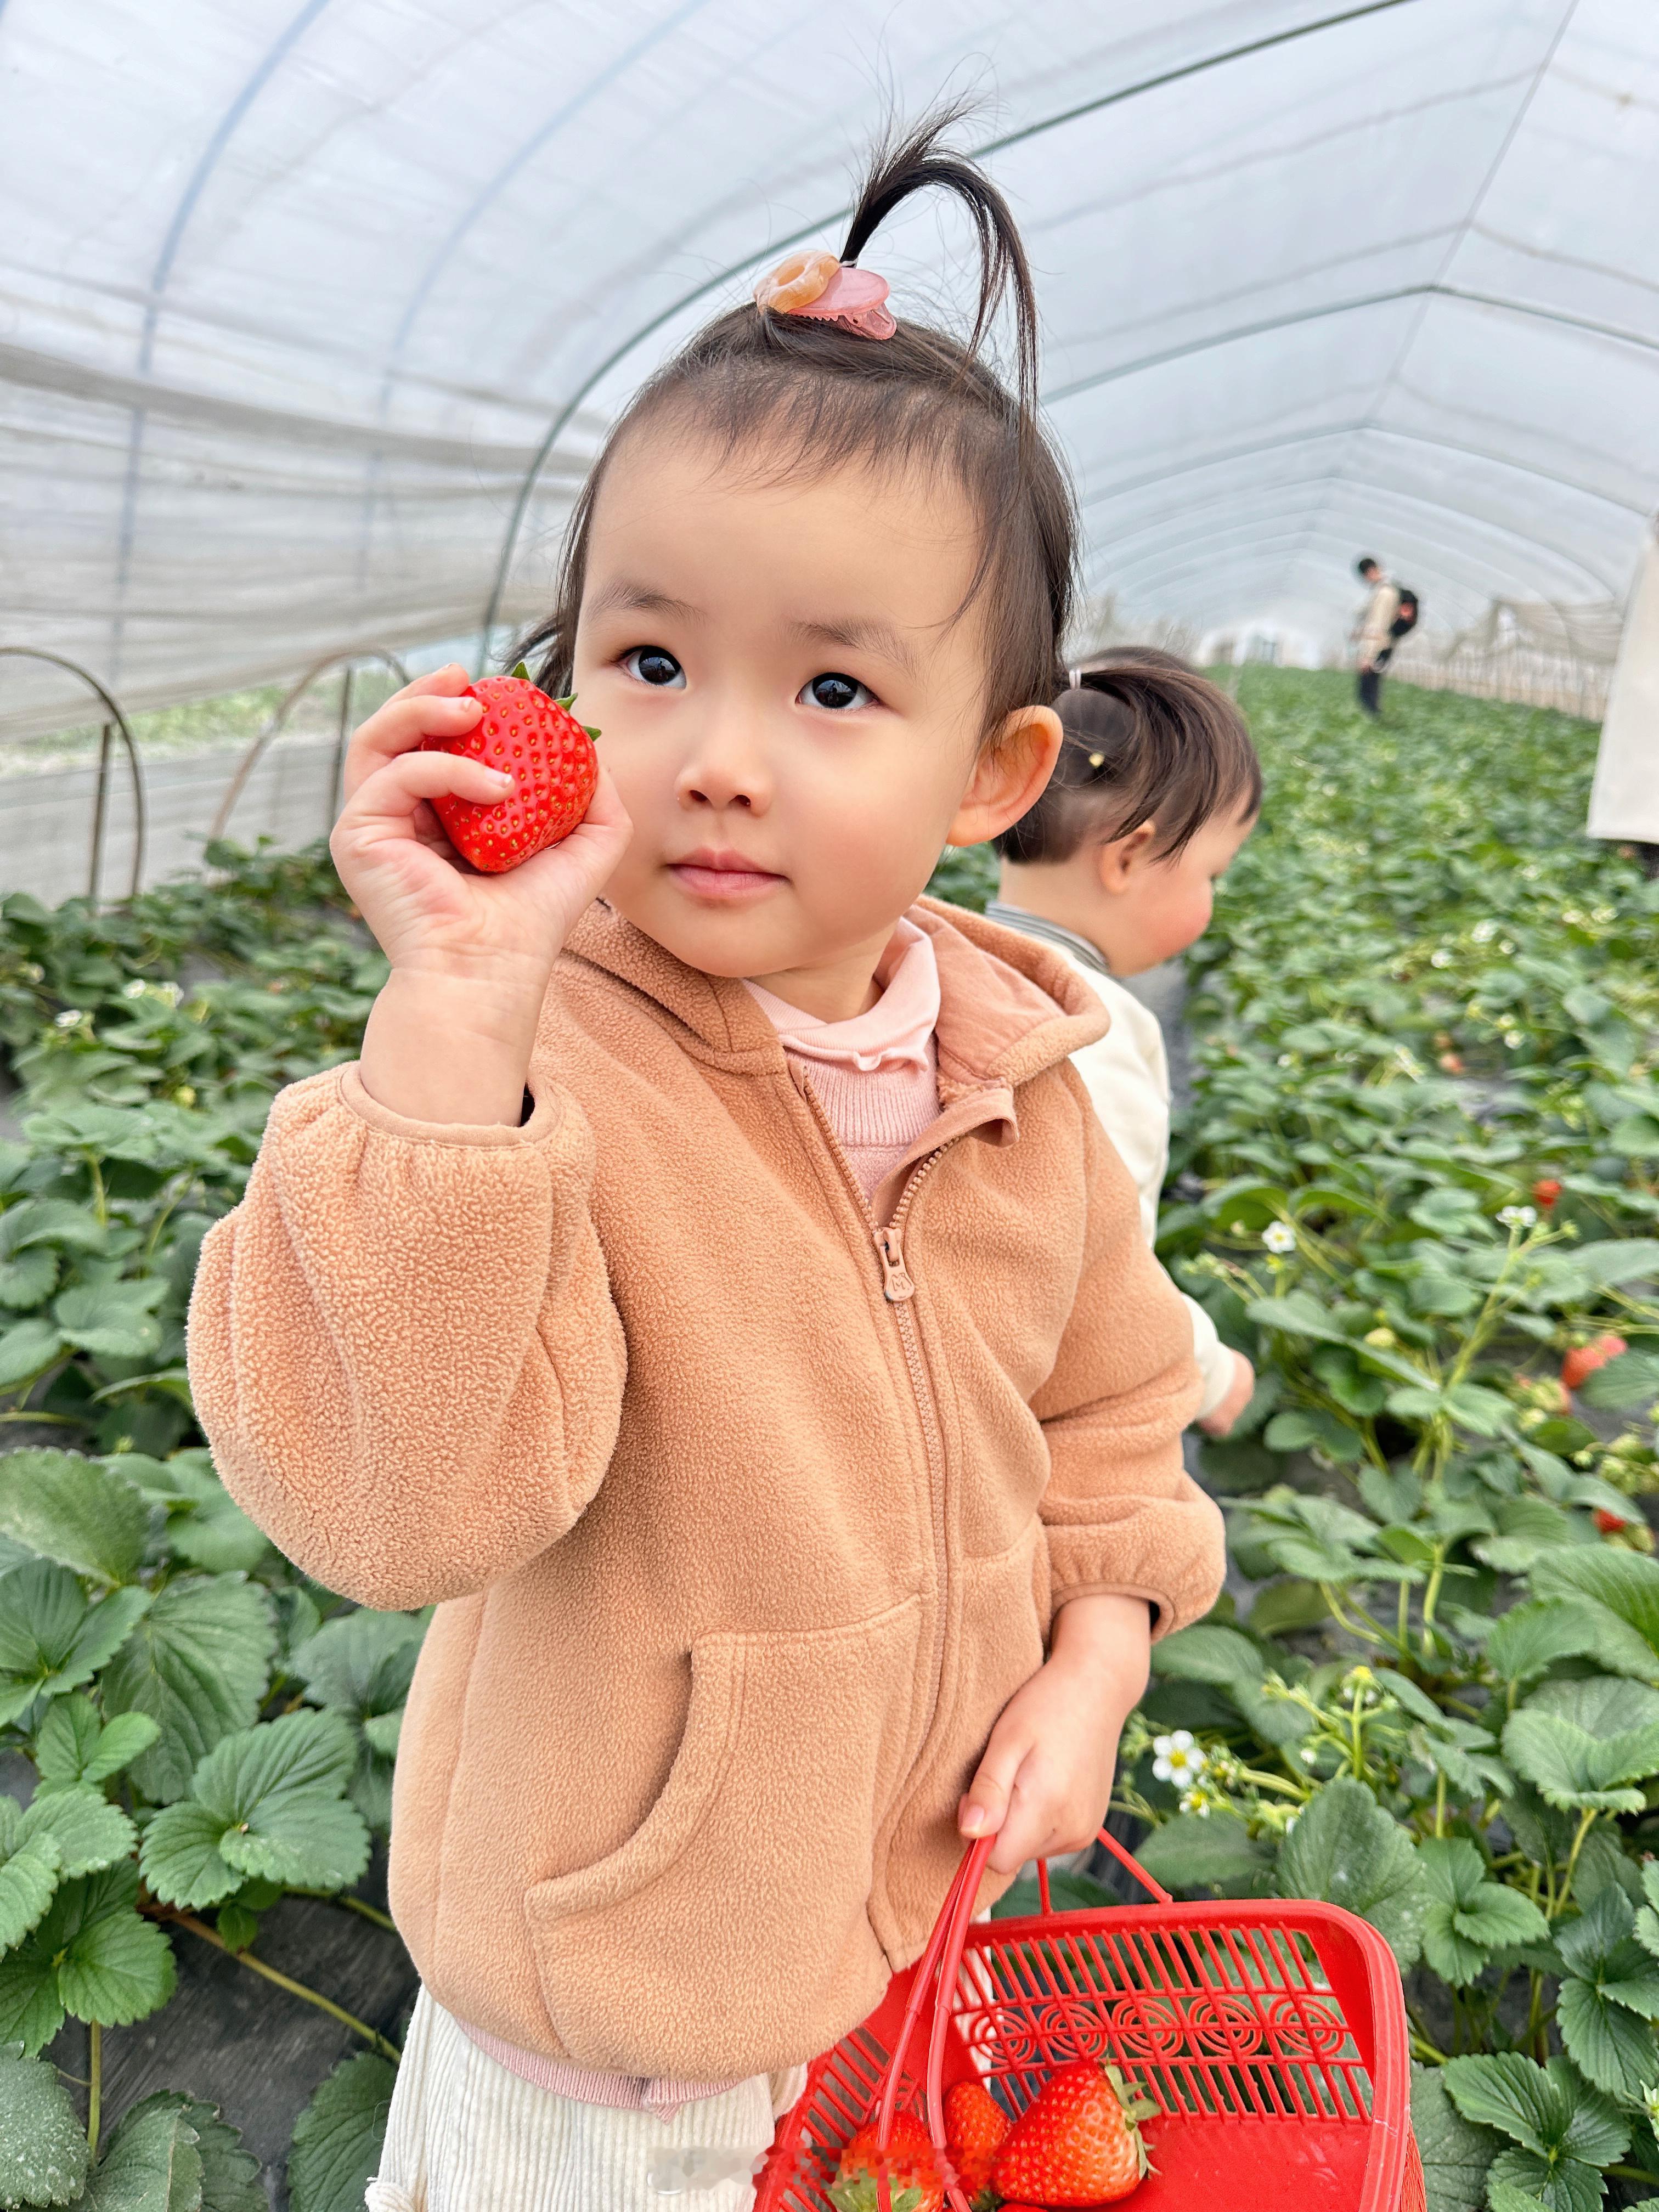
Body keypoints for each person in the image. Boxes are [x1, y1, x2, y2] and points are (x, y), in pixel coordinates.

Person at [186, 115, 1224, 2212]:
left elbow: (1108, 1413)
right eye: (648, 661)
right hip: (608, 2027)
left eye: (832, 683)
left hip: (893, 1917)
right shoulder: (531, 1076)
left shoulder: (1019, 1071)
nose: (718, 752)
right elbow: (402, 1511)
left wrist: (1098, 1651)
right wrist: (451, 1030)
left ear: (990, 773)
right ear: (562, 676)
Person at [986, 650, 1260, 1442]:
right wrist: (1209, 1372)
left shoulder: (938, 960)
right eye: (1214, 873)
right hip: (1036, 1410)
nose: (1211, 898)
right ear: (1131, 857)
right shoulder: (1091, 1036)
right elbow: (1110, 1278)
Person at [1352, 555, 1402, 717]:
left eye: (1366, 576)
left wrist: (1368, 655)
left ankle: (1373, 720)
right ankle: (1372, 720)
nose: (1367, 580)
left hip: (1379, 647)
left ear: (1371, 571)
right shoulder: (1383, 590)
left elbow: (1378, 625)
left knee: (1368, 691)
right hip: (1380, 646)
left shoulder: (1385, 593)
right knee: (1369, 690)